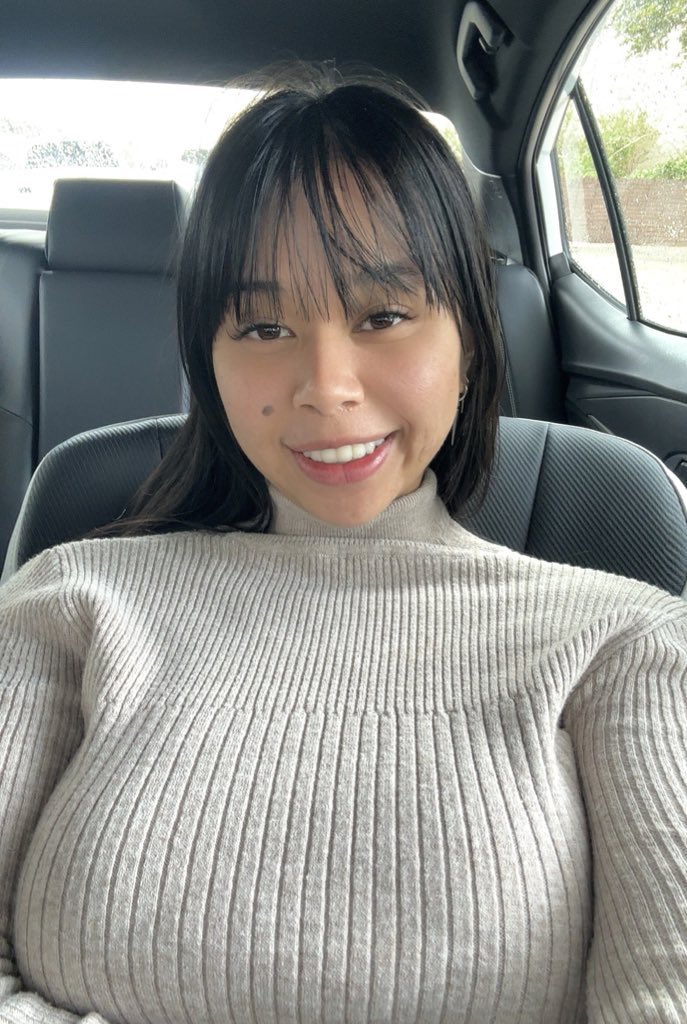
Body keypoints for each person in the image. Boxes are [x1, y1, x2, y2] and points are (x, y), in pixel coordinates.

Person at [0, 64, 685, 1024]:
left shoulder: (623, 643)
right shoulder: (70, 600)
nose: (326, 387)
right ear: (208, 360)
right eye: (262, 325)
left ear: (468, 336)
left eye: (384, 315)